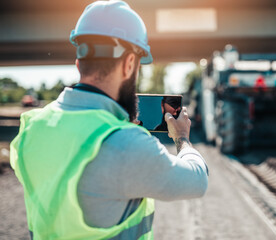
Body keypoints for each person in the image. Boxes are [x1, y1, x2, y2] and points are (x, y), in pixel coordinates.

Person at [10, 1, 208, 240]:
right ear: (129, 65)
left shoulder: (32, 127)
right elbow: (197, 180)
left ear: (78, 63)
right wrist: (182, 138)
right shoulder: (124, 143)